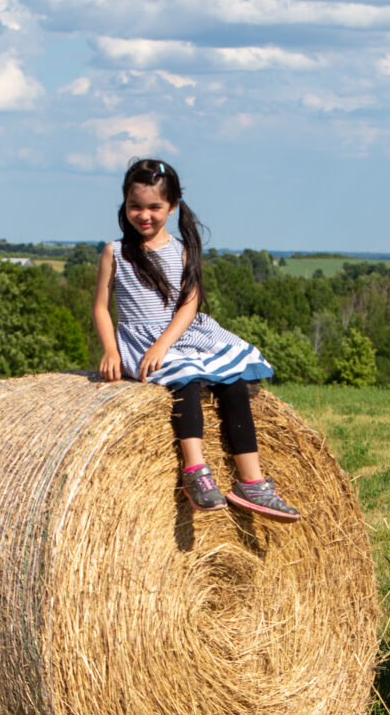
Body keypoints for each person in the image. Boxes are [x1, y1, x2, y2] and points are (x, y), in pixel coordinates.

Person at [93, 158, 300, 520]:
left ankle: (251, 482)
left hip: (183, 335)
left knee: (234, 383)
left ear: (172, 207)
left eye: (154, 207)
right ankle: (196, 472)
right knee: (185, 381)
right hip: (139, 342)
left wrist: (165, 344)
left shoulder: (183, 249)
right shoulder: (115, 252)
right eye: (135, 207)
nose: (144, 215)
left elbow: (189, 306)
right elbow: (100, 307)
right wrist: (110, 350)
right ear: (124, 207)